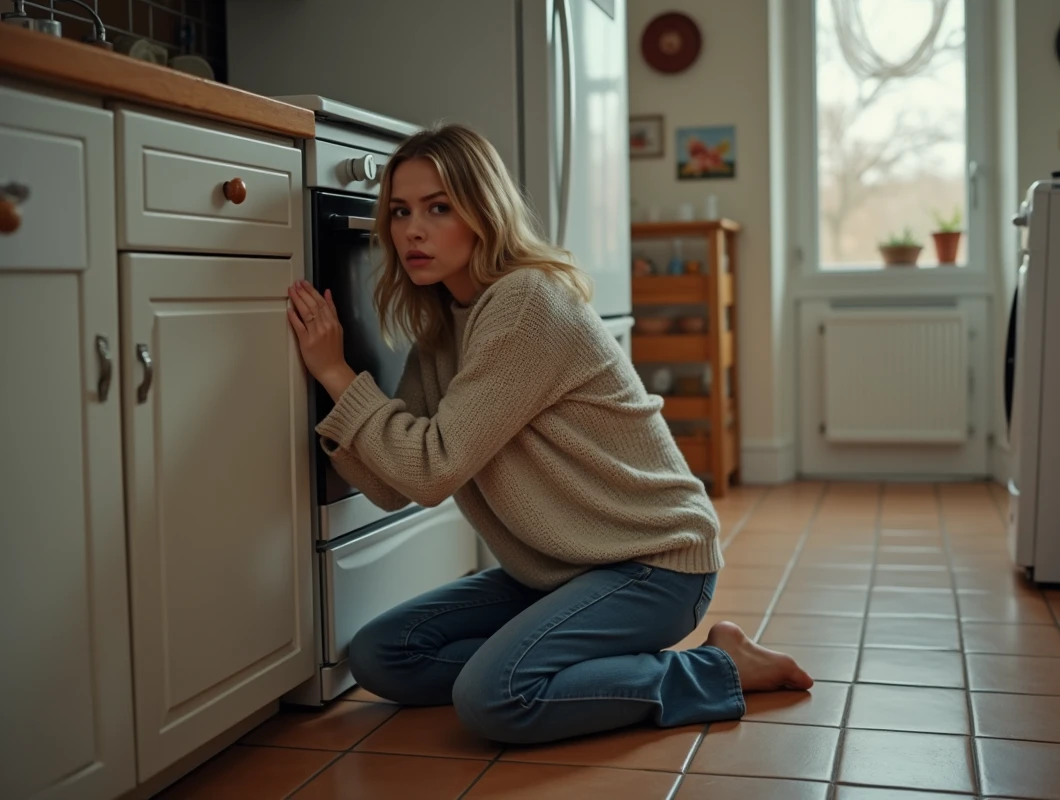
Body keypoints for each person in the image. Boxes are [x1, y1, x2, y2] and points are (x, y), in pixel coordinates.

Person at [285, 123, 812, 745]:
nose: (412, 231)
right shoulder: (443, 326)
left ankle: (717, 666)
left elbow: (430, 471)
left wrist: (336, 373)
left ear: (484, 213)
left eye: (438, 207)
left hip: (654, 565)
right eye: (399, 212)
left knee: (492, 699)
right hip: (554, 568)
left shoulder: (525, 303)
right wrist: (338, 395)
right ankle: (559, 665)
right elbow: (394, 483)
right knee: (381, 656)